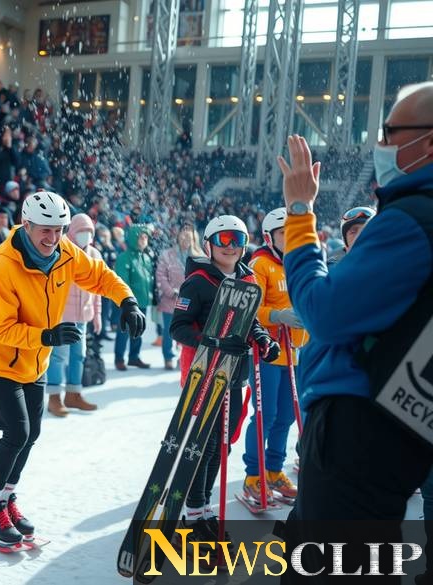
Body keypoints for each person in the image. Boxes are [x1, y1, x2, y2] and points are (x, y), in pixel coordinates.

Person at [277, 83, 433, 579]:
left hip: (358, 428)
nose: (381, 144)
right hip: (398, 424)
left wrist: (300, 215)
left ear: (428, 144)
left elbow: (324, 311)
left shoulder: (412, 220)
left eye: (391, 132)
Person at [0, 191, 142, 545]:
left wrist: (126, 300)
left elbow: (100, 275)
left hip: (36, 361)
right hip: (1, 360)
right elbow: (1, 328)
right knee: (16, 433)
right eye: (45, 231)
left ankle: (6, 498)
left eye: (59, 230)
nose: (53, 238)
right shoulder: (5, 263)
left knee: (32, 433)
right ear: (27, 224)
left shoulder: (66, 253)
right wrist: (47, 336)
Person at [169, 215, 279, 541]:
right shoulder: (198, 281)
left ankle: (202, 509)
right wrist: (209, 339)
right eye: (223, 240)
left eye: (237, 240)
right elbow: (178, 326)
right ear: (209, 244)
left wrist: (263, 340)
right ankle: (192, 512)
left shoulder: (248, 279)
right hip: (205, 373)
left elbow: (250, 322)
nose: (230, 247)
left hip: (235, 374)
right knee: (203, 444)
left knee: (222, 445)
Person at [241, 206, 308, 505]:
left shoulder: (299, 264)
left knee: (285, 417)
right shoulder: (260, 264)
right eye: (283, 233)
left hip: (293, 351)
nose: (289, 238)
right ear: (270, 237)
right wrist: (278, 314)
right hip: (267, 351)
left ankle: (274, 470)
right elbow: (249, 308)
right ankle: (253, 475)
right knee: (265, 414)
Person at [46, 213, 102, 417]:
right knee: (59, 356)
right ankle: (54, 397)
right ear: (72, 231)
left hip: (82, 316)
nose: (85, 236)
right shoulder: (60, 251)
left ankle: (74, 394)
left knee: (79, 355)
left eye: (89, 232)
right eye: (81, 231)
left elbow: (98, 287)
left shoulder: (95, 255)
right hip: (61, 315)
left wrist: (97, 315)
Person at [155, 225, 204, 370]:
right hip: (171, 299)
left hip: (191, 302)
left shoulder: (200, 256)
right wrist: (171, 291)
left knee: (188, 331)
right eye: (183, 236)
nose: (185, 240)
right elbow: (160, 275)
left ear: (194, 239)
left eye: (189, 237)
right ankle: (168, 356)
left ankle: (183, 357)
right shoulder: (167, 254)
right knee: (169, 331)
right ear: (178, 237)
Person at [113, 225, 155, 370]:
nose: (144, 240)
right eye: (141, 237)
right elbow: (122, 281)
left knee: (138, 329)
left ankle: (134, 357)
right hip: (127, 302)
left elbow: (149, 279)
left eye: (146, 237)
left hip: (142, 300)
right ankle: (119, 358)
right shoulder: (123, 257)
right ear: (133, 238)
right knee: (123, 331)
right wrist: (127, 300)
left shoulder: (146, 257)